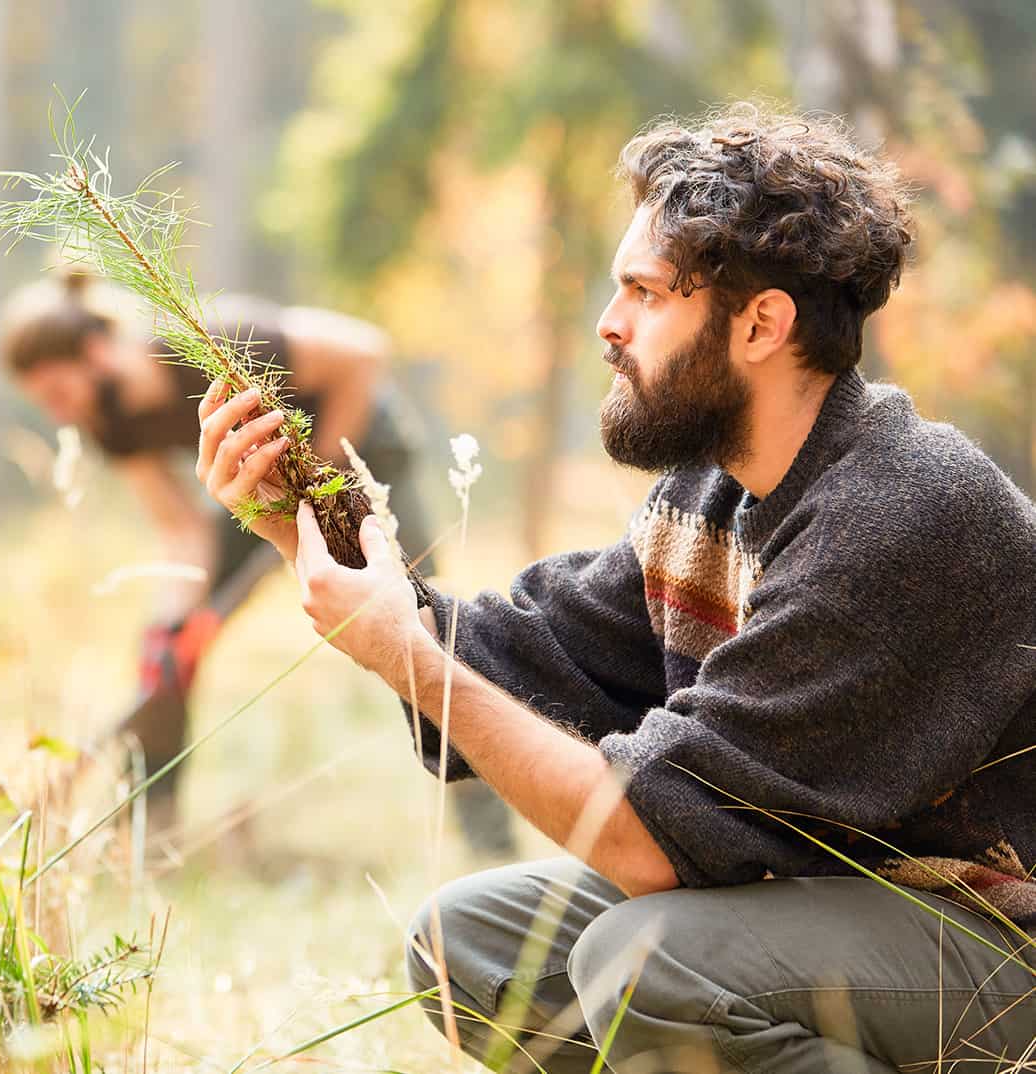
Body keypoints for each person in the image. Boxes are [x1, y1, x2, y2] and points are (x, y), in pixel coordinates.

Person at [195, 102, 1036, 1071]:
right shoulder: (712, 491)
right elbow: (529, 654)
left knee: (644, 965)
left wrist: (411, 660)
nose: (608, 323)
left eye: (643, 292)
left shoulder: (899, 513)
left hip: (995, 940)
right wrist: (303, 524)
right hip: (829, 906)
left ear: (762, 323)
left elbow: (642, 842)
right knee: (470, 948)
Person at [0, 271, 513, 847]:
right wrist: (177, 622)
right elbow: (182, 530)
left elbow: (363, 354)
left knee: (424, 634)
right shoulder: (110, 423)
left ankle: (489, 837)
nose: (59, 413)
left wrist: (315, 487)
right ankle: (146, 833)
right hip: (261, 483)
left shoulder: (210, 341)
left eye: (57, 394)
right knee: (166, 650)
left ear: (93, 354)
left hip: (362, 456)